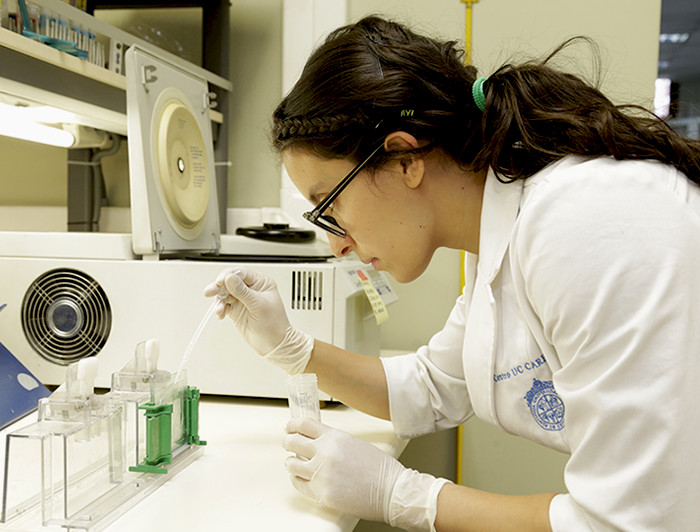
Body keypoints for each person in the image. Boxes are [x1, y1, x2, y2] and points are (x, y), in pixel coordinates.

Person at [204, 15, 700, 532]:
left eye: (329, 203)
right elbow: (432, 386)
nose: (336, 243)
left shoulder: (588, 226)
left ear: (402, 158)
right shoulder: (499, 231)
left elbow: (627, 523)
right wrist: (289, 347)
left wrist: (404, 495)